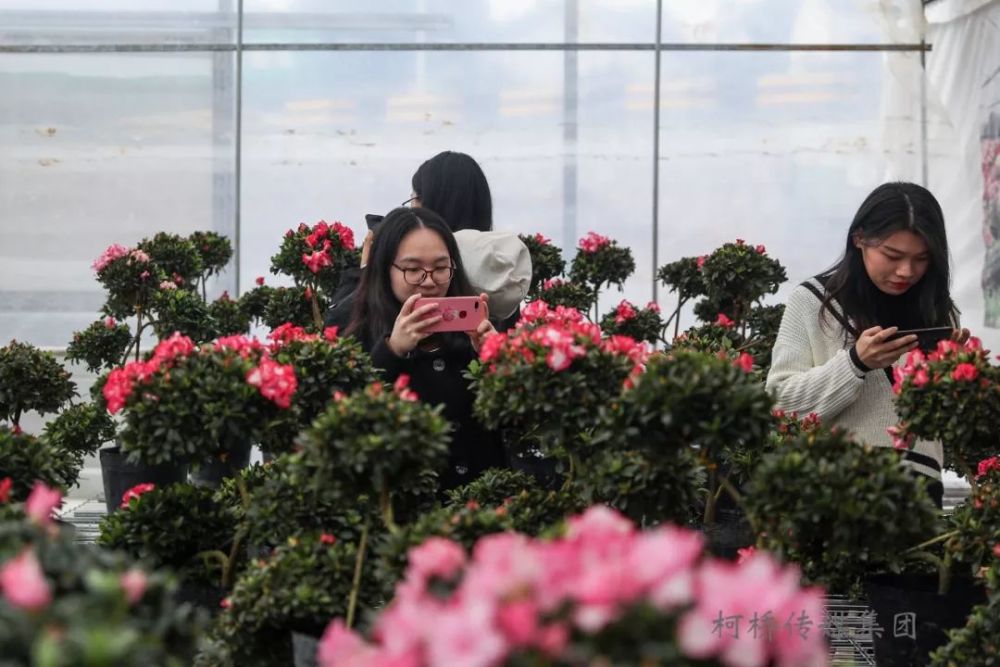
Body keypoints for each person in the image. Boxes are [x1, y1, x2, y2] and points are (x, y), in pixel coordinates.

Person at [767, 182, 969, 508]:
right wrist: (855, 362)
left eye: (922, 259)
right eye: (892, 255)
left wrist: (954, 376)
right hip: (832, 486)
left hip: (918, 488)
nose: (906, 271)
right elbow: (779, 405)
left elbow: (946, 423)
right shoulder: (813, 302)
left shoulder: (940, 310)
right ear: (859, 238)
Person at [346, 206, 506, 491]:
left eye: (441, 268)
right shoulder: (359, 336)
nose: (430, 281)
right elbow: (346, 425)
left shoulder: (477, 329)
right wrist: (391, 351)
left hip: (481, 509)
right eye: (413, 270)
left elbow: (513, 423)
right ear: (385, 270)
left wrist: (496, 361)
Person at [325, 151, 530, 332]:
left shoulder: (412, 278)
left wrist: (367, 270)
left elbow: (337, 330)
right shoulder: (502, 269)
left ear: (428, 204)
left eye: (413, 200)